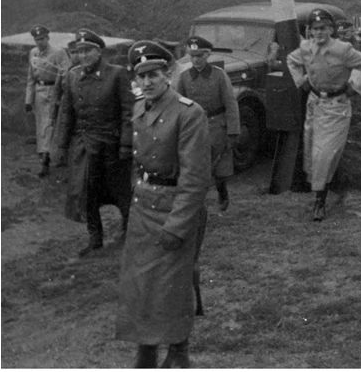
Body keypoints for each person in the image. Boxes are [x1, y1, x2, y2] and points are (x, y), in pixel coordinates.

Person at [117, 40, 211, 369]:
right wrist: (137, 192)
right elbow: (136, 161)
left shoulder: (189, 113)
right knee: (141, 285)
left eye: (154, 74)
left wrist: (177, 224)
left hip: (174, 210)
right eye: (141, 76)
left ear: (168, 73)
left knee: (173, 284)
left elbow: (195, 178)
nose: (147, 82)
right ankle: (145, 352)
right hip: (144, 209)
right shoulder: (139, 108)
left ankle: (178, 351)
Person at [286, 8, 361, 221]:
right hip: (315, 105)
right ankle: (324, 190)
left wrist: (355, 88)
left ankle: (319, 202)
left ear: (331, 29)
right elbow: (291, 61)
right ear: (309, 31)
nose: (319, 33)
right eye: (314, 29)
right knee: (313, 152)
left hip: (337, 106)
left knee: (325, 154)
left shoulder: (343, 50)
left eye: (324, 28)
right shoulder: (305, 48)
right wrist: (301, 81)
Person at [54, 29, 134, 256]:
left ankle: (128, 234)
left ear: (98, 52)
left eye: (87, 51)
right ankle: (95, 238)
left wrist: (126, 145)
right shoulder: (72, 76)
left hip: (111, 146)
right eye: (78, 52)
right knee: (86, 194)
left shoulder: (116, 74)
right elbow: (66, 114)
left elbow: (128, 112)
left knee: (120, 193)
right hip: (84, 147)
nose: (83, 56)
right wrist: (60, 147)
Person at [176, 36, 240, 213]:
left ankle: (222, 193)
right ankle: (197, 203)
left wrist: (233, 131)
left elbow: (230, 103)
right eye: (193, 56)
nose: (196, 60)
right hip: (194, 128)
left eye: (200, 56)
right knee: (196, 168)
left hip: (216, 127)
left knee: (219, 169)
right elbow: (178, 105)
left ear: (207, 55)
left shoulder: (219, 75)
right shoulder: (184, 77)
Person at [25, 25, 72, 177]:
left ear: (47, 38)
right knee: (41, 128)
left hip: (54, 93)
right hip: (40, 93)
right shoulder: (33, 53)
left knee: (51, 126)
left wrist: (63, 93)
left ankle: (46, 161)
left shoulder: (58, 53)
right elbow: (31, 78)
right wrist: (28, 99)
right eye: (37, 39)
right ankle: (45, 156)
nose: (39, 42)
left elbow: (67, 72)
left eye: (42, 39)